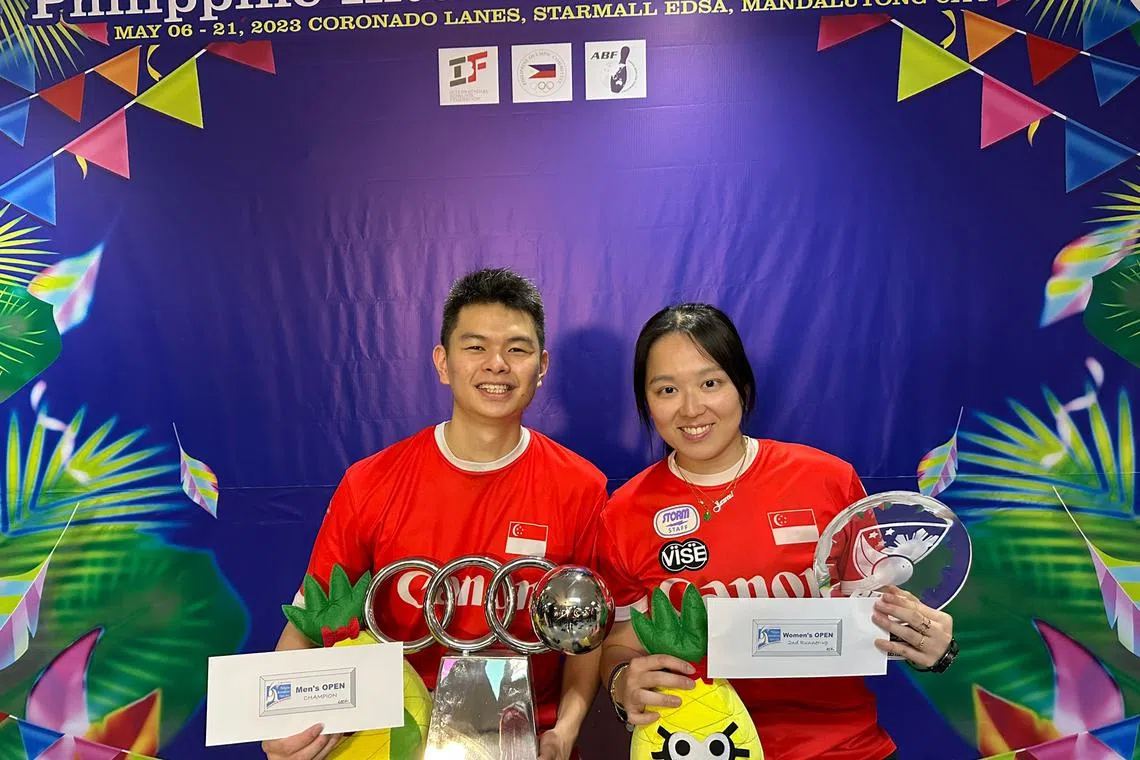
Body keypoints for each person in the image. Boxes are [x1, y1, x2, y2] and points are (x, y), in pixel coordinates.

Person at [262, 268, 609, 760]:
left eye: (517, 348)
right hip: (388, 739)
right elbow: (310, 619)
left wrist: (566, 732)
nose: (497, 365)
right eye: (475, 347)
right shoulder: (370, 482)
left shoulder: (582, 486)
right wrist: (282, 727)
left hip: (525, 743)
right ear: (443, 362)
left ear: (542, 365)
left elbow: (587, 634)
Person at [596, 303, 958, 760]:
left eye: (711, 383)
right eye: (667, 389)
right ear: (646, 401)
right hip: (699, 744)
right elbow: (621, 642)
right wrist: (620, 680)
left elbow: (884, 611)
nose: (691, 408)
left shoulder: (828, 480)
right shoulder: (624, 512)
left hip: (840, 747)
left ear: (742, 386)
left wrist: (930, 642)